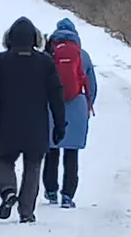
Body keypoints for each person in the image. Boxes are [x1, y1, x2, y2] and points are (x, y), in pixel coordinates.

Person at [0, 16, 66, 223]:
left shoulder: (0, 61)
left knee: (5, 159)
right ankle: (26, 211)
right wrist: (59, 123)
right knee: (33, 166)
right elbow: (56, 94)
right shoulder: (45, 62)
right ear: (35, 39)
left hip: (7, 123)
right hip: (36, 125)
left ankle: (9, 191)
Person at [42, 17, 98, 208]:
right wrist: (88, 105)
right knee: (71, 153)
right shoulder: (83, 56)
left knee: (51, 150)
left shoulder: (49, 55)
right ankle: (67, 195)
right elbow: (91, 85)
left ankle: (50, 190)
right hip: (77, 105)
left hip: (52, 105)